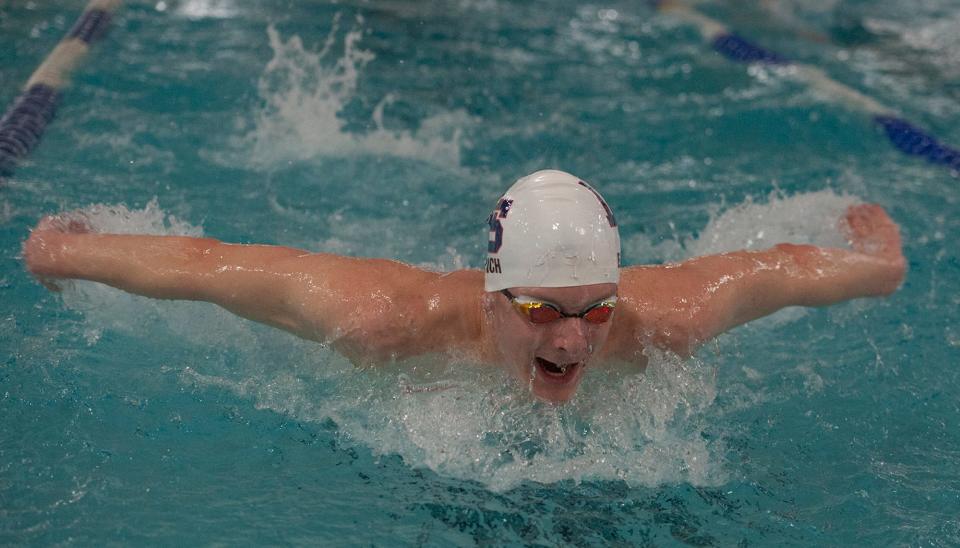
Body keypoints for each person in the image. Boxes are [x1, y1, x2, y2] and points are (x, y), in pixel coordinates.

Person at [22, 170, 905, 402]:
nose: (573, 341)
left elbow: (779, 273)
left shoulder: (661, 322)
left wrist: (875, 261)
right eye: (541, 312)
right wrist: (65, 253)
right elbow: (210, 268)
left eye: (596, 309)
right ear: (491, 296)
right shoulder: (382, 319)